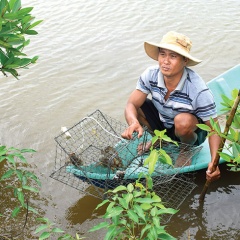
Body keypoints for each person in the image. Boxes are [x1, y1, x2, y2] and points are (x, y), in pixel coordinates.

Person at [121, 31, 221, 182]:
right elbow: (131, 104)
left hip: (190, 132)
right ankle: (161, 140)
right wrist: (133, 122)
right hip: (164, 124)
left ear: (185, 60)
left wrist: (214, 162)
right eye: (162, 54)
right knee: (139, 107)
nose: (165, 61)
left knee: (182, 121)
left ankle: (185, 149)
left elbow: (214, 129)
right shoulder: (151, 75)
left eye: (173, 56)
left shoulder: (197, 89)